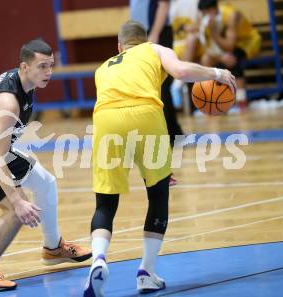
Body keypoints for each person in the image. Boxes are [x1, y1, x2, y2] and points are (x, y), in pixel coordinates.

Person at [83, 21, 235, 296]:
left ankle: (99, 259)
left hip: (104, 120)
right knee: (157, 195)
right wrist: (217, 73)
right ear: (143, 40)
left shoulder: (102, 67)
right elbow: (180, 70)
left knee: (105, 203)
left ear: (119, 46)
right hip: (145, 114)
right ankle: (146, 272)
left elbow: (121, 117)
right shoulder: (154, 49)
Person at [0, 38, 91, 293]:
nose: (48, 72)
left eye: (51, 65)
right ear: (24, 67)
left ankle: (53, 248)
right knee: (16, 211)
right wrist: (17, 200)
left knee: (46, 183)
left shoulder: (26, 82)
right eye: (42, 66)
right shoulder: (8, 102)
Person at [130, 0, 183, 147]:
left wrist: (154, 34)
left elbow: (163, 5)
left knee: (161, 85)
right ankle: (159, 133)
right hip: (140, 35)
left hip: (156, 33)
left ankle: (172, 134)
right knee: (148, 85)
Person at [197, 0, 262, 111]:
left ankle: (241, 101)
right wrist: (219, 56)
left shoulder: (231, 15)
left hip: (246, 42)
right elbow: (207, 45)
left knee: (232, 59)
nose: (204, 16)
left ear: (212, 9)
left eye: (205, 12)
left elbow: (230, 46)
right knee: (205, 59)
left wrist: (214, 33)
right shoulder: (204, 19)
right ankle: (210, 101)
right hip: (223, 44)